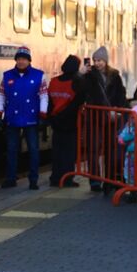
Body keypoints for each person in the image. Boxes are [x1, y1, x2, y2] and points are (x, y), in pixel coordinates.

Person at [76, 46, 126, 191]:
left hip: (111, 117)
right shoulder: (89, 75)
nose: (97, 63)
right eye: (95, 60)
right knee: (93, 148)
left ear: (106, 61)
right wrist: (80, 74)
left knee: (110, 148)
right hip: (94, 116)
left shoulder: (115, 75)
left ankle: (109, 179)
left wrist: (118, 109)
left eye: (100, 60)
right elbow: (78, 89)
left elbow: (120, 94)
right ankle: (95, 180)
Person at [0, 46, 47, 189]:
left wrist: (43, 114)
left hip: (31, 117)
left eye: (24, 59)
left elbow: (44, 96)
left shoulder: (39, 75)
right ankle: (10, 178)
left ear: (29, 61)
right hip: (12, 117)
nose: (21, 62)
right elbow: (1, 95)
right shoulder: (7, 76)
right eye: (19, 59)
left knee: (33, 149)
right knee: (11, 149)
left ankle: (33, 179)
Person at [47, 56, 82, 187]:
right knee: (69, 152)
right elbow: (77, 101)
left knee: (57, 151)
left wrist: (51, 117)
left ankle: (55, 178)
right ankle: (67, 178)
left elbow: (49, 101)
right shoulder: (76, 82)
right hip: (70, 121)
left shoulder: (54, 81)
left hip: (56, 121)